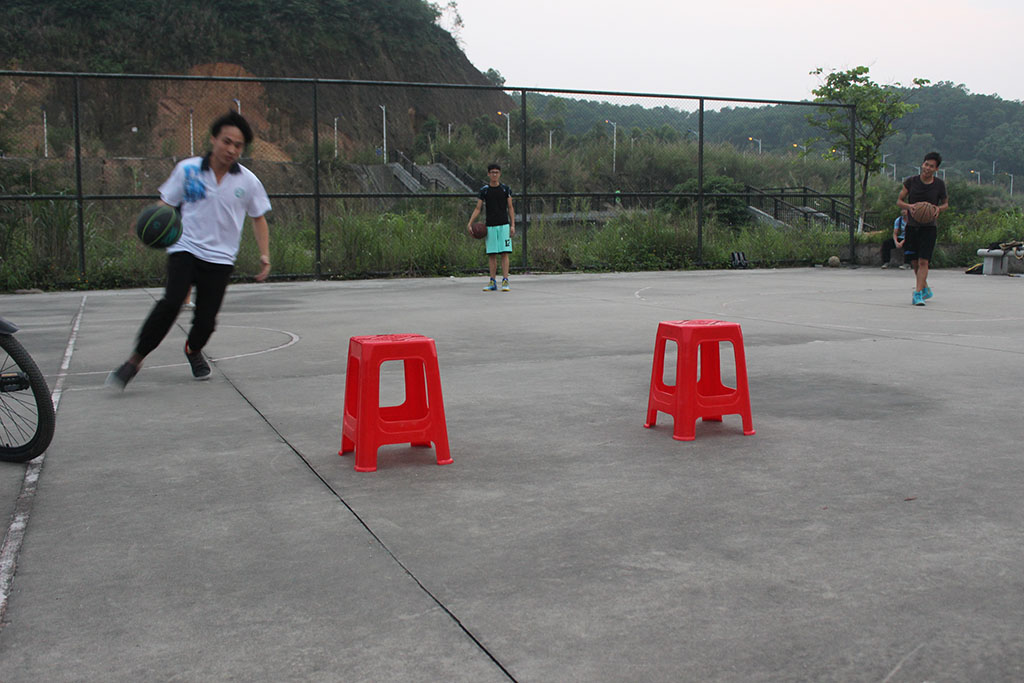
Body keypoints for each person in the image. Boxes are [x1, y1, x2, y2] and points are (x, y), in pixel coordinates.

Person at [106, 111, 271, 389]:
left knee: (206, 321)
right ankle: (134, 360)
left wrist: (264, 254)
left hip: (220, 258)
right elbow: (166, 204)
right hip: (185, 247)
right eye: (227, 141)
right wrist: (148, 228)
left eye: (238, 145)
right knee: (171, 303)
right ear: (213, 139)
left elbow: (259, 217)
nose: (231, 149)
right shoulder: (188, 169)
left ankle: (193, 350)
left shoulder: (248, 181)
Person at [897, 151, 948, 306]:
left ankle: (917, 293)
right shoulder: (911, 182)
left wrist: (938, 209)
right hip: (912, 226)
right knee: (914, 262)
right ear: (922, 164)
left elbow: (946, 204)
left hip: (929, 227)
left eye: (931, 166)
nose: (927, 168)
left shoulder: (939, 185)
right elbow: (899, 201)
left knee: (923, 261)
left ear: (936, 169)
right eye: (926, 164)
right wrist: (909, 206)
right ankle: (925, 288)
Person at [468, 163, 515, 291]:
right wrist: (470, 223)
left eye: (497, 172)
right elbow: (478, 208)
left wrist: (512, 225)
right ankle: (492, 281)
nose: (494, 174)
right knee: (492, 254)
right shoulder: (484, 190)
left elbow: (510, 207)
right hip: (490, 226)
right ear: (488, 174)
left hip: (504, 225)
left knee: (504, 253)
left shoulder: (505, 189)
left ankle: (505, 281)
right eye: (492, 172)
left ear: (500, 174)